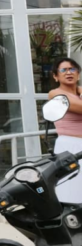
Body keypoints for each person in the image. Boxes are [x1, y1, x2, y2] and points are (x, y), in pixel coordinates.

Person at [48, 57, 82, 203]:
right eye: (63, 70)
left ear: (78, 74)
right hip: (70, 146)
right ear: (56, 76)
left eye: (72, 69)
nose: (68, 72)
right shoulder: (55, 94)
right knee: (72, 189)